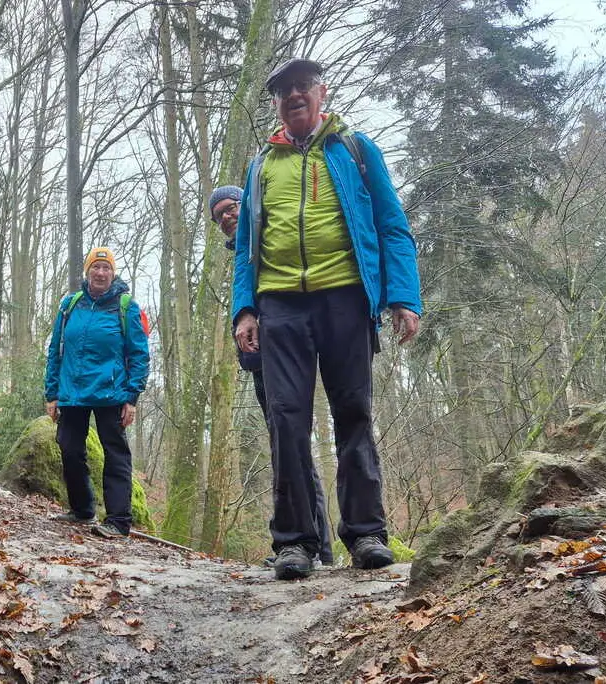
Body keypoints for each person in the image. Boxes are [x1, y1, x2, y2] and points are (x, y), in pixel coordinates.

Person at [231, 58, 422, 580]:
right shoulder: (262, 165)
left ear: (321, 92)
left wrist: (403, 297)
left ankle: (366, 534)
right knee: (285, 418)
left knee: (354, 411)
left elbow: (391, 225)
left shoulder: (354, 150)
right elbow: (245, 246)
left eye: (302, 86)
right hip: (279, 305)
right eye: (283, 90)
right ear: (275, 103)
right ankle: (294, 542)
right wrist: (245, 309)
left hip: (345, 296)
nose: (293, 95)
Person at [209, 185, 334, 566]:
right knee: (287, 447)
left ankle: (310, 547)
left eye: (231, 208)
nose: (227, 217)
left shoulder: (265, 243)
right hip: (262, 360)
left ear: (247, 205)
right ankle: (314, 547)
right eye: (220, 217)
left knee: (292, 446)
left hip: (286, 350)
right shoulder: (238, 256)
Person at [44, 247, 151, 539]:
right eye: (96, 267)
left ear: (112, 273)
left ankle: (118, 520)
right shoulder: (70, 304)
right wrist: (52, 393)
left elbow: (139, 354)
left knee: (115, 454)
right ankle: (82, 508)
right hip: (72, 392)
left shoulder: (126, 306)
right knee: (69, 447)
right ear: (87, 271)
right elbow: (56, 350)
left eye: (106, 268)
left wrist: (132, 397)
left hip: (111, 393)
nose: (101, 273)